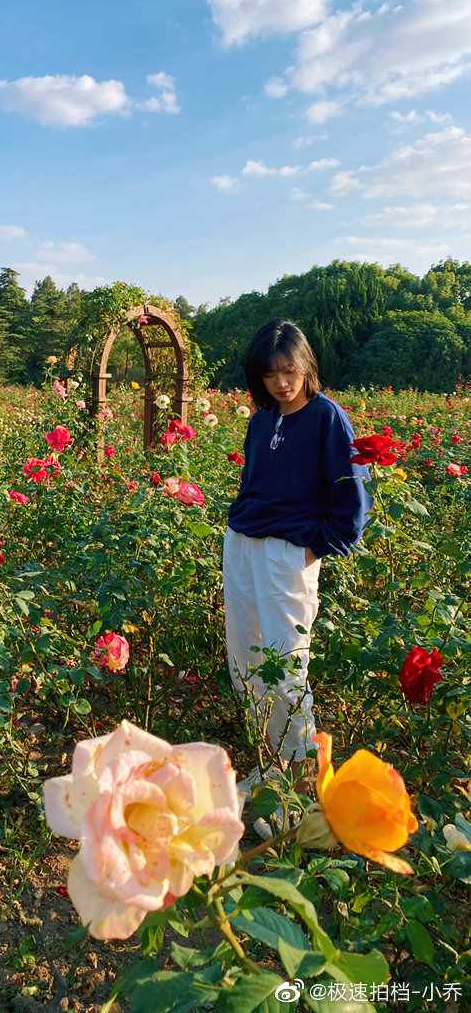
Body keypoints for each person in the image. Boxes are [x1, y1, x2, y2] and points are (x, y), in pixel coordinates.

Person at [223, 318, 371, 808]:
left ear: (306, 365)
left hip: (288, 552)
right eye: (270, 375)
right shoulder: (263, 418)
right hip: (243, 543)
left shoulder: (328, 417)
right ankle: (270, 769)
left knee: (285, 663)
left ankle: (301, 789)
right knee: (245, 655)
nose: (282, 383)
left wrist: (318, 546)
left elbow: (352, 494)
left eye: (289, 370)